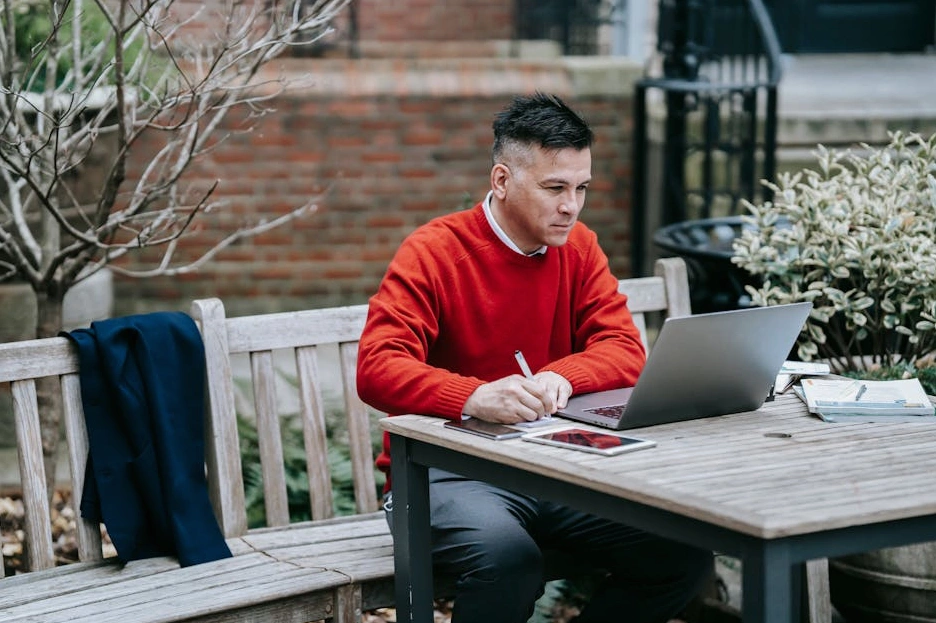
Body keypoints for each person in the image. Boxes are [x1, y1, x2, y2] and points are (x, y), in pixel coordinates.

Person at [356, 92, 713, 623]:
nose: (571, 205)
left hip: (555, 470)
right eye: (555, 188)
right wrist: (474, 395)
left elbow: (624, 349)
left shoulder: (580, 247)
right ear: (502, 181)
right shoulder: (435, 251)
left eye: (581, 188)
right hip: (446, 476)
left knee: (682, 554)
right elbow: (378, 366)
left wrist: (560, 377)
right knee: (508, 562)